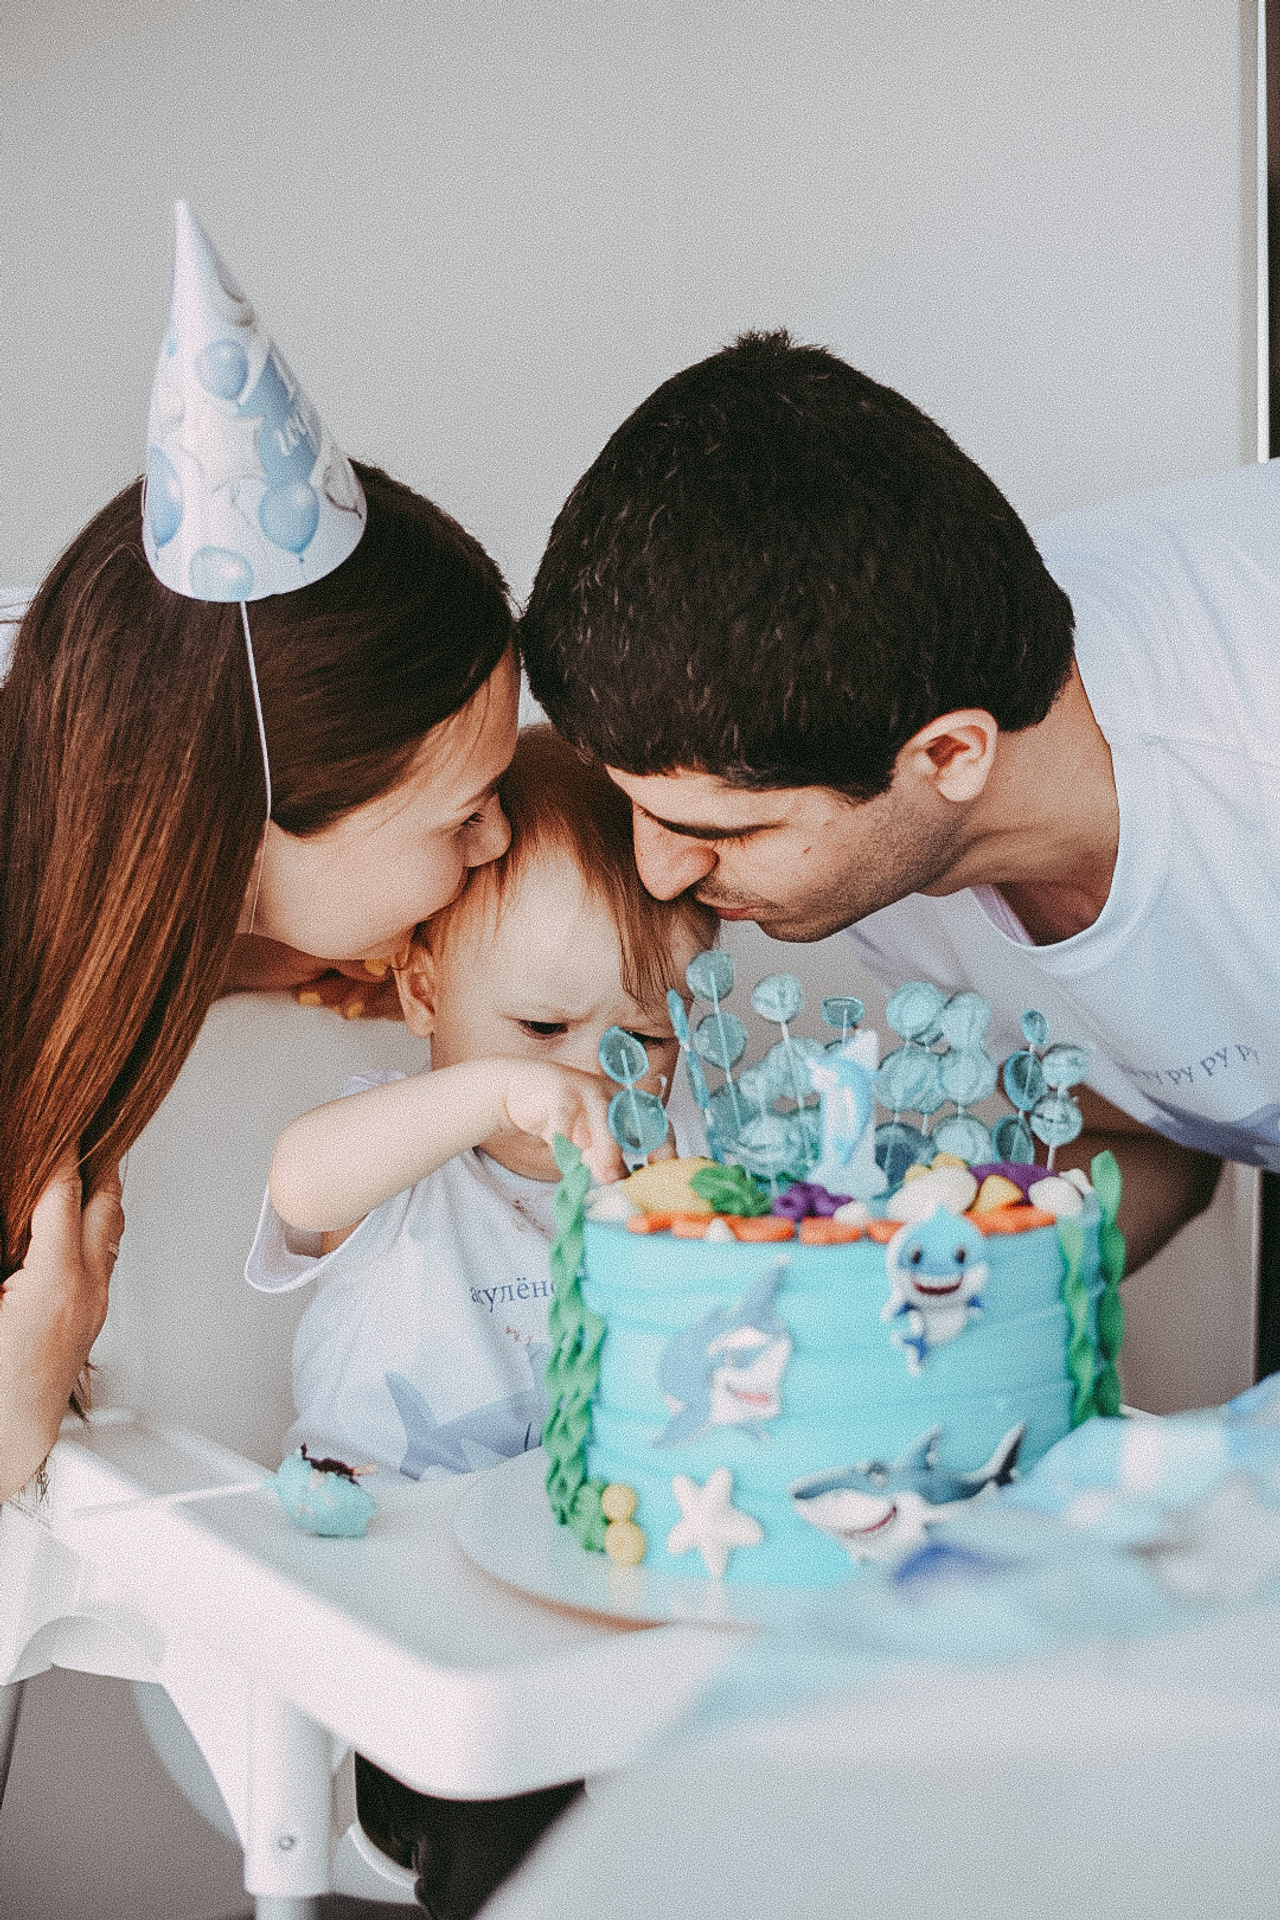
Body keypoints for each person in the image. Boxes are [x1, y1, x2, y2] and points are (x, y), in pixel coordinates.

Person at [518, 328, 1280, 1269]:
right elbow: (1151, 1136)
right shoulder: (884, 812)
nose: (658, 871)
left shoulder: (1251, 769)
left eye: (724, 829)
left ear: (952, 754)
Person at [0, 200, 522, 1502]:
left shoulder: (133, 854)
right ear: (241, 831)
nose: (498, 836)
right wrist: (16, 1410)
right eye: (460, 815)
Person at [248, 726, 716, 1919]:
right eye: (541, 1031)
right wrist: (480, 1095)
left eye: (642, 1044)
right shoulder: (402, 1157)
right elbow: (302, 1184)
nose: (592, 1083)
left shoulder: (672, 1171)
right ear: (422, 990)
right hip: (417, 1666)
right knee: (520, 1811)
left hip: (620, 1632)